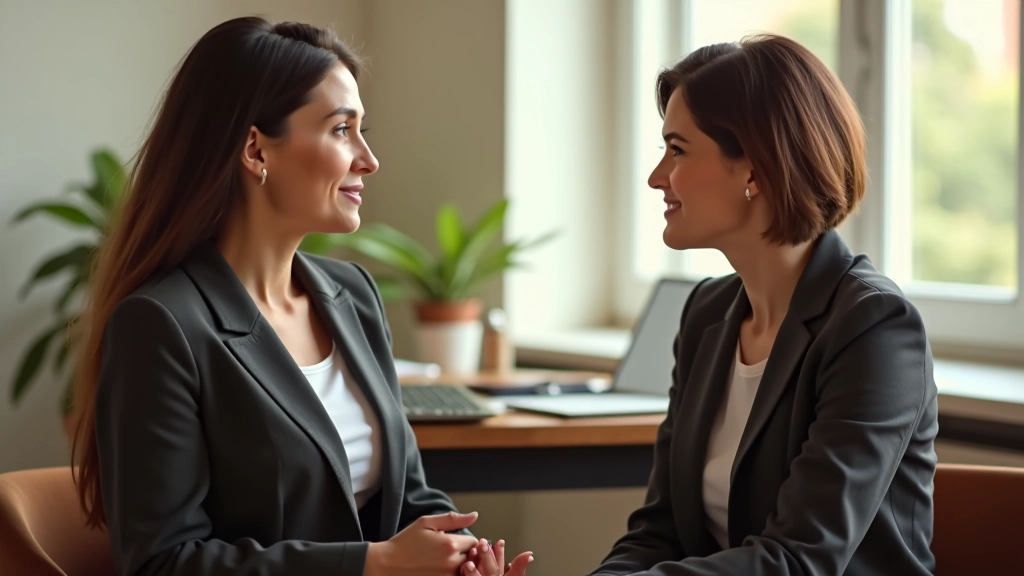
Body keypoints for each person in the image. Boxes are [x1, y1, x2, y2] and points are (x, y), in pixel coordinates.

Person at [69, 16, 530, 576]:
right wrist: (373, 564)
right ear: (255, 150)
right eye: (341, 130)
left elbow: (408, 496)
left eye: (361, 129)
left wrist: (463, 554)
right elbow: (163, 564)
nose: (369, 158)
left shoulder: (354, 296)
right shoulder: (161, 325)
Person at [589, 35, 938, 575]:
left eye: (677, 150)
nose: (657, 178)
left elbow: (799, 559)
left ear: (755, 168)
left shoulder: (874, 328)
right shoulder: (706, 313)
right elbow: (658, 533)